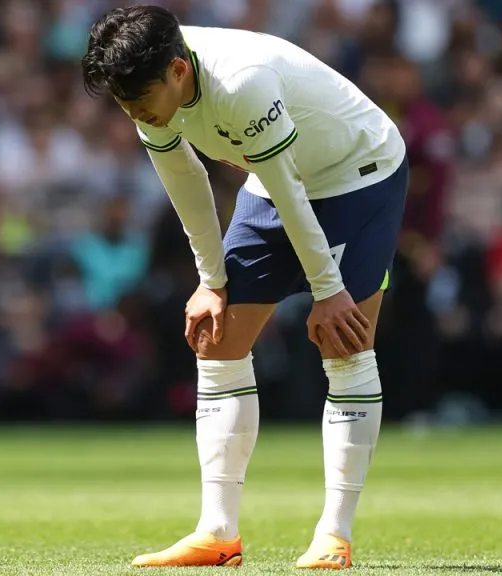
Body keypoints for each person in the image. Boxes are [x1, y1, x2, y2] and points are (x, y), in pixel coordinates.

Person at [82, 5, 408, 570]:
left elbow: (289, 190)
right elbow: (186, 179)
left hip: (358, 172)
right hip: (278, 174)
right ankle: (217, 532)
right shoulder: (146, 84)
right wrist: (211, 281)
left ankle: (334, 535)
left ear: (178, 71)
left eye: (139, 103)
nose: (135, 115)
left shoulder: (241, 82)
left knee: (345, 343)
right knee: (216, 338)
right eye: (125, 105)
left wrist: (328, 291)